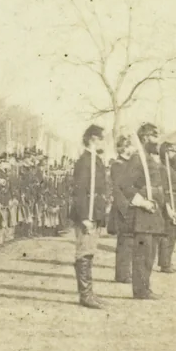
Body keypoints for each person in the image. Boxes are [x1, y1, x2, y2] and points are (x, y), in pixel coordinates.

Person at [115, 123, 167, 300]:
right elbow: (124, 185)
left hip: (153, 214)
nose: (157, 141)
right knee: (143, 255)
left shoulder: (148, 158)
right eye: (155, 136)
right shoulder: (138, 159)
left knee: (149, 254)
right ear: (145, 138)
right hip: (143, 215)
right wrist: (143, 203)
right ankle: (141, 290)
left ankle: (145, 288)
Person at [70, 124, 108, 309]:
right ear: (94, 139)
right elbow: (79, 192)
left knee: (89, 253)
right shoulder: (85, 161)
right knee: (84, 253)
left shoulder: (95, 160)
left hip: (96, 212)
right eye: (102, 139)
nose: (105, 143)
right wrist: (84, 217)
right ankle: (85, 295)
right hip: (87, 214)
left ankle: (89, 292)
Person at [108, 136, 135, 284]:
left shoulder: (128, 164)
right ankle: (123, 274)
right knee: (125, 241)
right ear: (124, 148)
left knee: (129, 241)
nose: (132, 149)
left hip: (131, 206)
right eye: (129, 146)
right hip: (123, 208)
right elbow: (118, 189)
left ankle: (125, 272)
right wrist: (125, 208)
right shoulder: (118, 165)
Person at [157, 142, 176, 273]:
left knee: (174, 233)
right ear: (166, 153)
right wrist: (167, 206)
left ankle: (168, 261)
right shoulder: (162, 169)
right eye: (171, 152)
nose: (174, 154)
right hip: (169, 200)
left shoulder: (170, 168)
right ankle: (165, 263)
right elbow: (162, 189)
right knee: (168, 233)